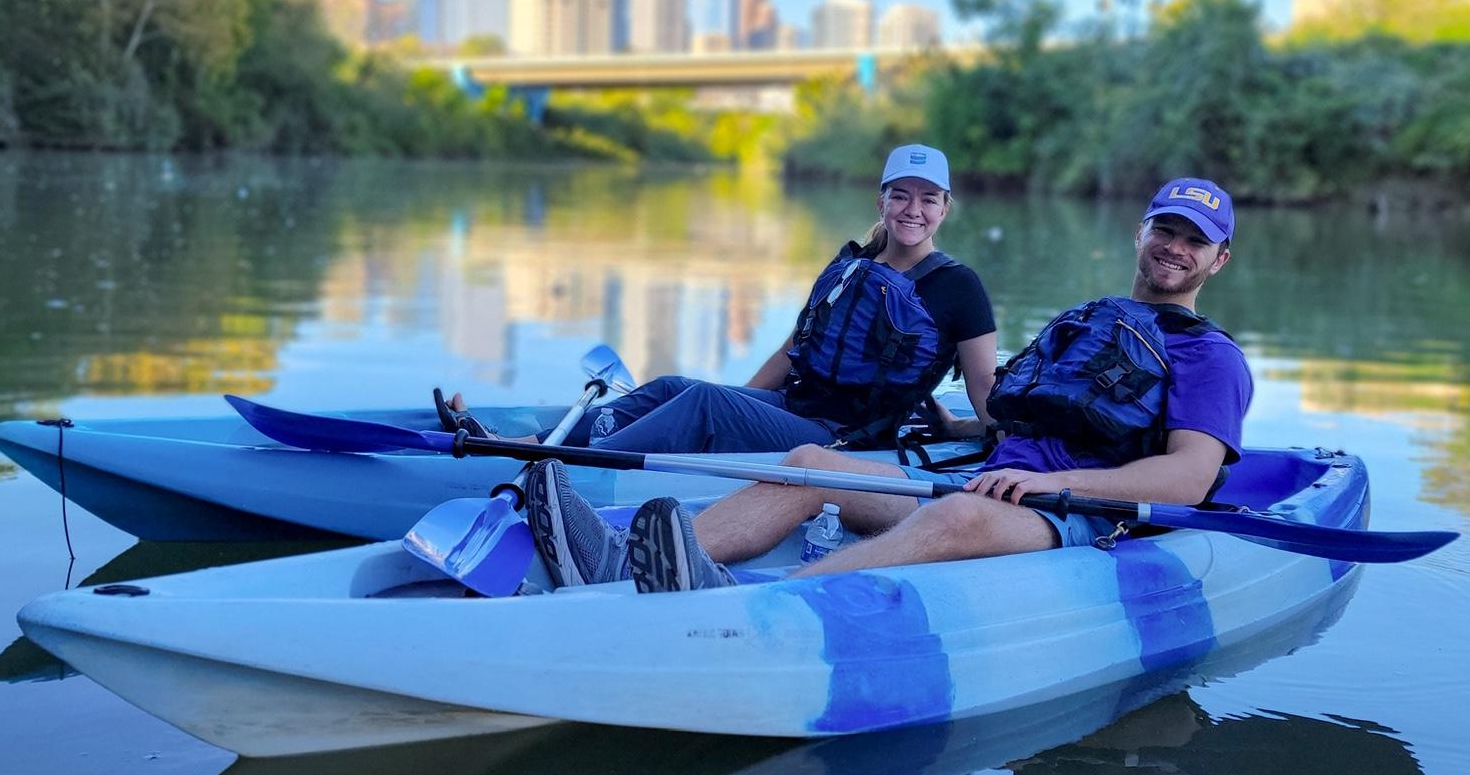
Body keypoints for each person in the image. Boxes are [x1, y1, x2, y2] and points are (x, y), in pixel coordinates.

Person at [523, 176, 1252, 592]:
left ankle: (759, 604)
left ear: (1217, 261)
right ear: (1141, 231)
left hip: (1076, 515)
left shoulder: (1210, 357)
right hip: (994, 479)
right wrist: (962, 428)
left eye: (1194, 240)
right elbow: (1028, 416)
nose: (1174, 248)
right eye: (1167, 229)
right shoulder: (1095, 319)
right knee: (808, 466)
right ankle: (622, 569)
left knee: (955, 521)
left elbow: (1188, 478)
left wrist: (1047, 489)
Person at [451, 143, 996, 468]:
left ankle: (568, 467)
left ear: (946, 207)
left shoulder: (960, 288)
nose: (913, 209)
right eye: (900, 194)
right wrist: (746, 413)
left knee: (704, 404)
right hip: (797, 409)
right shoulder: (855, 264)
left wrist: (975, 432)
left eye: (928, 198)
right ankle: (527, 445)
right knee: (671, 388)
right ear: (880, 199)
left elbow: (985, 393)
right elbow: (793, 349)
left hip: (849, 440)